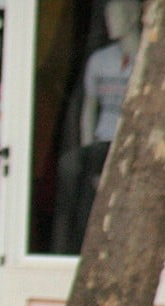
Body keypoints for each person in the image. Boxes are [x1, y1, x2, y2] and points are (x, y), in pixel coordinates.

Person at [51, 0, 141, 253]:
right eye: (108, 14)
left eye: (117, 14)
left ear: (133, 17)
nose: (110, 21)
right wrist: (88, 150)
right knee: (70, 169)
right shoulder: (99, 61)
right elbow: (89, 110)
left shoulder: (151, 61)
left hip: (135, 145)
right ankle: (73, 247)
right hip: (103, 143)